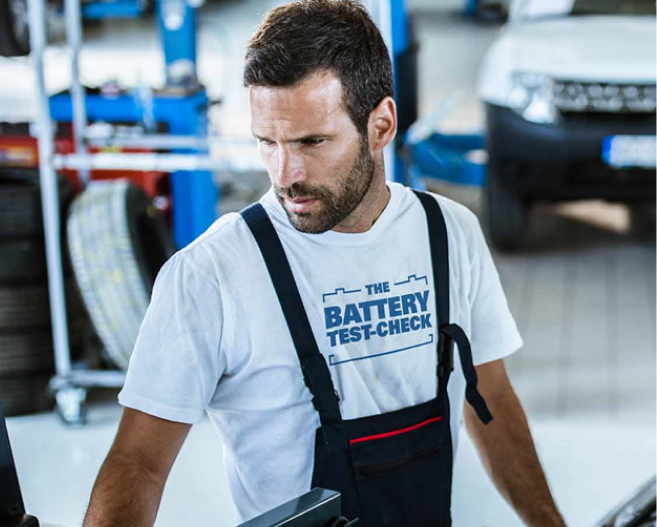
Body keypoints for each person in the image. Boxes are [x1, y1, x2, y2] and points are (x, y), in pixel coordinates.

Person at [82, 1, 567, 526]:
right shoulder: (210, 274)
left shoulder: (448, 234)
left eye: (313, 142)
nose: (286, 173)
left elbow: (489, 395)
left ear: (381, 125)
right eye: (268, 142)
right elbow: (139, 462)